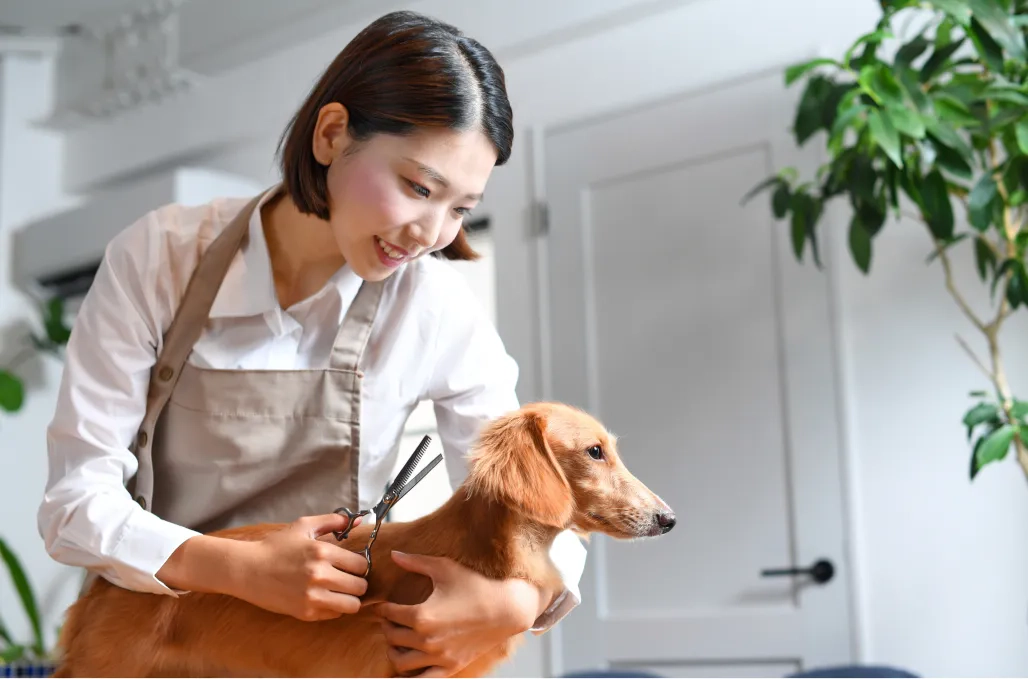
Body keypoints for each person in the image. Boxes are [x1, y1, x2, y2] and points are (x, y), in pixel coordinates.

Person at [37, 10, 587, 677]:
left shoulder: (436, 307)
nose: (431, 232)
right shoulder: (160, 258)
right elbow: (74, 503)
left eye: (461, 208)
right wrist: (236, 567)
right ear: (331, 134)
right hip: (154, 642)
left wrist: (516, 599)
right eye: (419, 187)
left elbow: (527, 496)